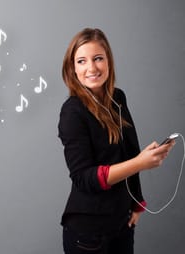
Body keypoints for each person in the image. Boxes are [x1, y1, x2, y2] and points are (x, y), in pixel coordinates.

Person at [58, 28, 175, 254]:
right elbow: (84, 178)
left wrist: (137, 203)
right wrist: (141, 162)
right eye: (82, 61)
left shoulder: (117, 98)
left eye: (98, 58)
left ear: (109, 61)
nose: (91, 68)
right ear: (73, 69)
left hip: (122, 223)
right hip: (88, 233)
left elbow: (130, 153)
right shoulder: (72, 112)